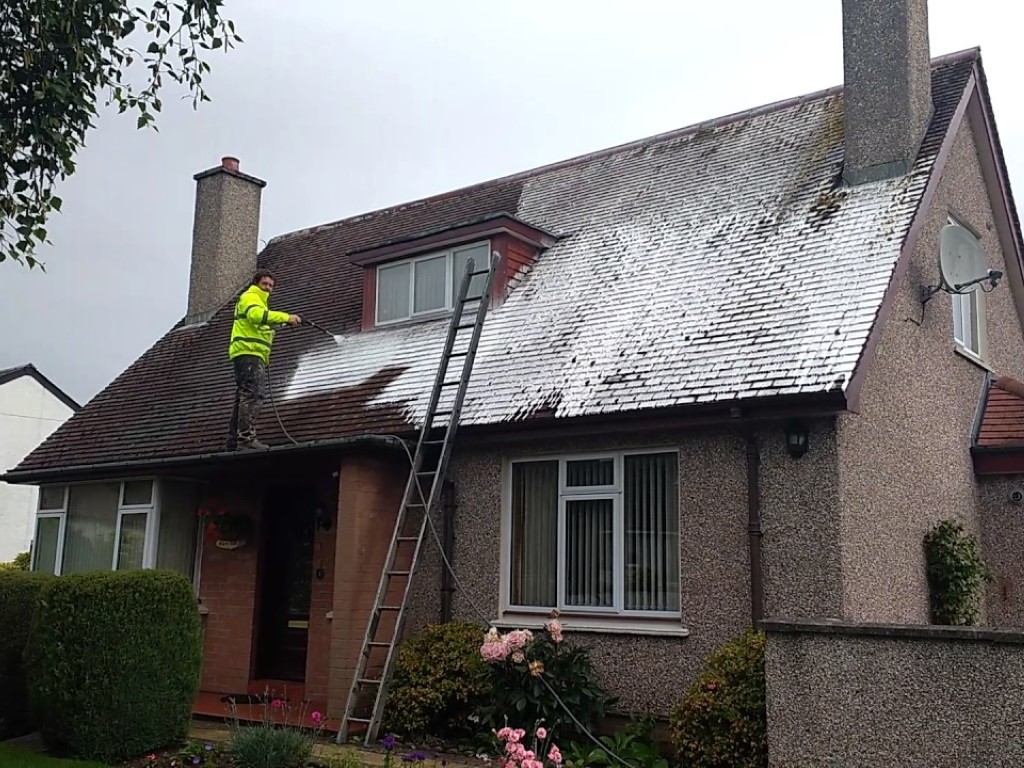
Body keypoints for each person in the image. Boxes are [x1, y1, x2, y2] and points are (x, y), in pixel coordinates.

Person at [227, 270, 301, 450]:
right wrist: (286, 317)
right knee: (253, 394)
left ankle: (233, 440)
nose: (268, 288)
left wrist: (282, 323)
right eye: (265, 284)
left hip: (248, 353)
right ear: (256, 283)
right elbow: (256, 316)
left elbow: (260, 322)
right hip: (249, 352)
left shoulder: (258, 302)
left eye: (270, 286)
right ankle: (246, 439)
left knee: (244, 395)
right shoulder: (251, 297)